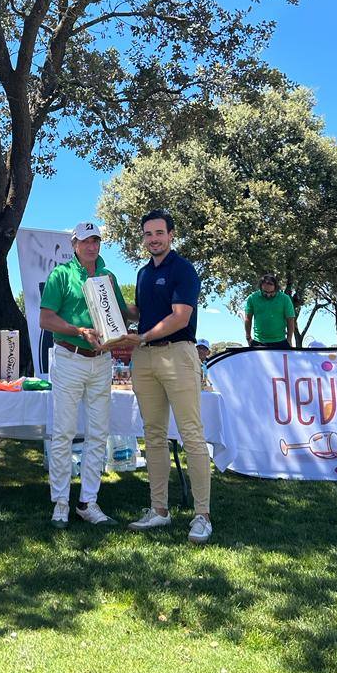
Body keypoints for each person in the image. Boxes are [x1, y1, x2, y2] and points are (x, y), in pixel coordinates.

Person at [122, 209, 213, 544]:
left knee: (191, 435)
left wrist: (143, 336)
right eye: (147, 234)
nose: (153, 239)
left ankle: (202, 515)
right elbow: (141, 314)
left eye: (159, 233)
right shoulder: (144, 273)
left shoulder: (184, 269)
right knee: (153, 435)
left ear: (171, 235)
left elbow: (179, 317)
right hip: (144, 359)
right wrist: (110, 304)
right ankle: (158, 509)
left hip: (178, 353)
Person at [39, 221, 130, 528]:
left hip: (102, 361)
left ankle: (87, 502)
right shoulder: (61, 275)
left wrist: (155, 307)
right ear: (74, 244)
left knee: (98, 434)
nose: (92, 246)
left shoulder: (108, 276)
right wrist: (78, 330)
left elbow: (119, 312)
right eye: (86, 241)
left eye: (97, 241)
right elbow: (46, 318)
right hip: (69, 358)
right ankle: (61, 502)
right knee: (64, 432)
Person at [244, 274, 296, 349]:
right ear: (260, 288)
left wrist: (289, 339)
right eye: (265, 292)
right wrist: (248, 337)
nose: (268, 295)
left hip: (281, 342)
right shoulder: (252, 298)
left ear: (276, 289)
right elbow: (248, 319)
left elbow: (290, 319)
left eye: (271, 292)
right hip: (258, 342)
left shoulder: (285, 299)